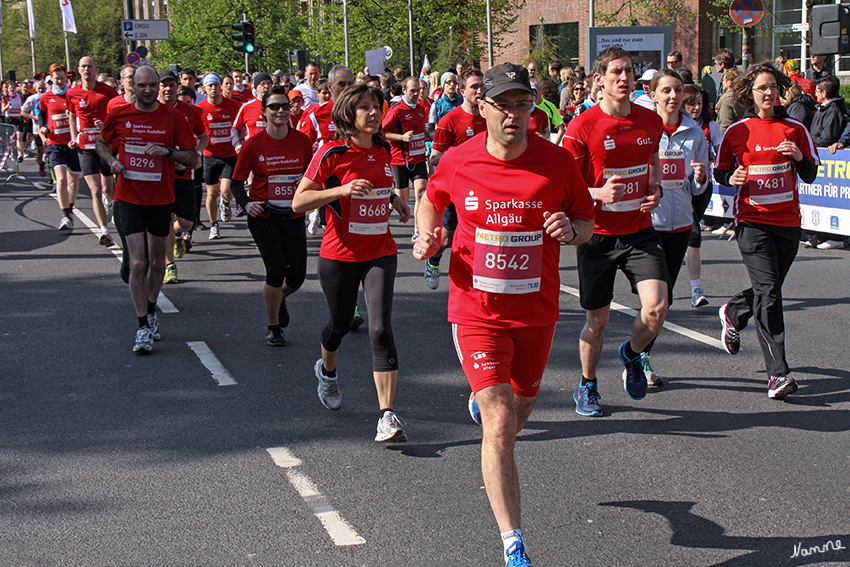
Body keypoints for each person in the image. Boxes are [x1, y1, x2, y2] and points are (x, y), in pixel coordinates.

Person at [413, 63, 595, 567]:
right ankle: (514, 544)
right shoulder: (459, 159)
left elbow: (587, 223)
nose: (516, 114)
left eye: (523, 104)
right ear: (483, 108)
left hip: (536, 311)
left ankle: (496, 407)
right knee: (498, 423)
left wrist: (569, 228)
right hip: (476, 308)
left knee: (516, 415)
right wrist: (426, 236)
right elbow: (432, 200)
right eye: (505, 104)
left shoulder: (557, 163)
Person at [292, 84, 411, 442]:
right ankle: (326, 372)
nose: (373, 113)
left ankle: (387, 415)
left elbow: (376, 184)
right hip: (339, 254)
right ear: (348, 114)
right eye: (364, 107)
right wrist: (340, 191)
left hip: (380, 250)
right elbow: (299, 202)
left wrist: (393, 200)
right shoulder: (331, 153)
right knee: (340, 324)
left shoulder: (384, 148)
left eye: (376, 106)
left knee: (379, 329)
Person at [562, 46, 667, 416]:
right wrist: (597, 193)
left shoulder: (649, 121)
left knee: (656, 308)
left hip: (640, 229)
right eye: (617, 72)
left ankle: (632, 354)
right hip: (597, 234)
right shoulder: (582, 127)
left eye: (629, 72)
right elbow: (565, 183)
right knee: (599, 319)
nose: (625, 78)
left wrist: (656, 189)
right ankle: (587, 385)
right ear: (599, 80)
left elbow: (653, 162)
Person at [714, 61, 819, 399]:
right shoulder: (737, 131)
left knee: (767, 290)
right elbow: (721, 173)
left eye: (773, 86)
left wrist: (800, 155)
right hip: (752, 222)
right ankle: (778, 374)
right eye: (762, 88)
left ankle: (734, 310)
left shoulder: (795, 128)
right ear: (751, 93)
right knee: (771, 292)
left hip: (788, 223)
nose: (769, 93)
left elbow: (811, 173)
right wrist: (732, 178)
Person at [96, 66, 198, 354]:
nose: (149, 90)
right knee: (138, 264)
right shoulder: (119, 114)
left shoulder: (173, 117)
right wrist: (112, 161)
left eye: (153, 85)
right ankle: (142, 326)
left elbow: (192, 158)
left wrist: (167, 152)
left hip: (160, 198)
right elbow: (100, 142)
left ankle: (151, 310)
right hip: (127, 198)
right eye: (142, 85)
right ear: (133, 86)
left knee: (156, 264)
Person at [231, 85, 313, 345]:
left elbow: (313, 176)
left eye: (284, 106)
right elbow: (236, 183)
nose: (280, 111)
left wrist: (306, 183)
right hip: (264, 216)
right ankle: (273, 326)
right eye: (274, 107)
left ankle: (279, 298)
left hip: (292, 214)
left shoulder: (301, 141)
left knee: (297, 276)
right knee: (276, 270)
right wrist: (246, 203)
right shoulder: (253, 144)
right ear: (264, 112)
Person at [647, 69, 710, 378]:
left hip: (681, 223)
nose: (673, 97)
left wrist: (699, 178)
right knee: (655, 300)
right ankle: (640, 356)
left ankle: (641, 354)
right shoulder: (645, 131)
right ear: (653, 95)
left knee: (665, 299)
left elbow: (698, 186)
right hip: (649, 225)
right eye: (667, 91)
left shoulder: (695, 133)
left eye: (677, 91)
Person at [423, 69, 485, 290]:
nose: (479, 91)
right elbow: (435, 158)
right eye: (474, 87)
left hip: (484, 189)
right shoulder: (450, 119)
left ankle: (477, 282)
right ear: (462, 91)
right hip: (457, 188)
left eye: (481, 86)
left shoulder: (491, 117)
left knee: (483, 237)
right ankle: (434, 261)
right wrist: (462, 158)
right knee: (447, 239)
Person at [158, 70, 209, 284]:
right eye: (164, 85)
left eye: (171, 84)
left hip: (186, 172)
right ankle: (170, 265)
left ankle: (177, 234)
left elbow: (204, 137)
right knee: (167, 218)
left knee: (187, 223)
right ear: (158, 87)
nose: (168, 88)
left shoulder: (190, 111)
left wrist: (195, 154)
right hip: (161, 175)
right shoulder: (152, 110)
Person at [67, 56, 119, 247]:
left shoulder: (107, 91)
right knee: (95, 189)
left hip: (104, 144)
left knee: (107, 188)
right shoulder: (72, 93)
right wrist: (73, 136)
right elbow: (71, 116)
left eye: (90, 66)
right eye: (83, 67)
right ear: (79, 70)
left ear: (95, 69)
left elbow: (117, 113)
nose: (86, 69)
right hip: (85, 146)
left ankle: (110, 201)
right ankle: (104, 231)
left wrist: (105, 123)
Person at [298, 65, 356, 235]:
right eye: (342, 84)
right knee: (333, 228)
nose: (347, 89)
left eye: (350, 84)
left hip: (356, 174)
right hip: (329, 180)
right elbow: (303, 145)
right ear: (330, 87)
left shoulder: (361, 112)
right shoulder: (316, 114)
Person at [682, 84, 721, 308]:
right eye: (691, 103)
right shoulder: (671, 126)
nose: (696, 108)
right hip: (678, 187)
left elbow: (721, 149)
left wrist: (711, 168)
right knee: (693, 233)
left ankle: (694, 286)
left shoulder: (710, 126)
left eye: (699, 103)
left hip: (702, 185)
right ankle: (696, 289)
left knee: (691, 232)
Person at [196, 73, 242, 239]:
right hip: (210, 155)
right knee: (211, 193)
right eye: (210, 86)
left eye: (216, 85)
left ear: (220, 86)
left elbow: (240, 125)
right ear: (205, 88)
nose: (214, 89)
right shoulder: (200, 108)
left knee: (226, 190)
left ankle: (225, 202)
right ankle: (213, 224)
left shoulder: (233, 105)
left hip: (229, 154)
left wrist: (239, 141)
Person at [39, 63, 81, 231]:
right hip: (55, 143)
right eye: (56, 78)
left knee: (73, 182)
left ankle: (70, 208)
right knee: (61, 180)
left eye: (62, 78)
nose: (60, 81)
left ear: (66, 78)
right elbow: (41, 114)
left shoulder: (73, 95)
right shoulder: (45, 97)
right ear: (51, 79)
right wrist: (42, 128)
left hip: (72, 143)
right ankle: (65, 216)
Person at [382, 76, 430, 210]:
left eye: (418, 90)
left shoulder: (420, 109)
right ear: (404, 90)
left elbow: (420, 131)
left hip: (419, 158)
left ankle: (417, 230)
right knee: (402, 199)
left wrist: (428, 134)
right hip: (400, 160)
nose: (416, 94)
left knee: (421, 192)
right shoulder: (396, 110)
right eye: (412, 91)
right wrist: (402, 137)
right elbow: (382, 133)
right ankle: (385, 216)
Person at [20, 79, 48, 177]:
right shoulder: (32, 99)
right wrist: (34, 117)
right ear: (35, 88)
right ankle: (41, 164)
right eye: (39, 88)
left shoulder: (48, 96)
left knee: (49, 150)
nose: (41, 90)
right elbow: (23, 111)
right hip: (37, 128)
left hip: (49, 127)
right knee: (40, 150)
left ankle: (51, 173)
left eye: (43, 88)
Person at [810, 75, 847, 148]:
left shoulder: (833, 111)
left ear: (824, 93)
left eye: (817, 91)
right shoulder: (822, 108)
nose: (815, 94)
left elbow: (827, 139)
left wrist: (810, 144)